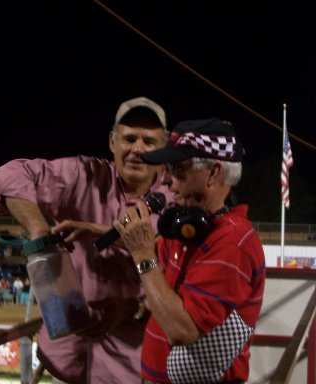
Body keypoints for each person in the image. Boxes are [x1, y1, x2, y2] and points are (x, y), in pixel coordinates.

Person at [0, 96, 174, 383]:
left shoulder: (176, 197)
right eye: (128, 138)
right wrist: (39, 230)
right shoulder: (85, 175)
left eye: (149, 141)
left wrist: (131, 309)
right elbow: (10, 174)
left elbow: (163, 251)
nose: (137, 149)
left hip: (132, 363)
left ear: (164, 147)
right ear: (112, 142)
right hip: (64, 362)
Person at [113, 118, 266, 383]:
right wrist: (88, 231)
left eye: (178, 170)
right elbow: (150, 257)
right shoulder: (188, 228)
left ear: (213, 173)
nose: (168, 182)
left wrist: (142, 253)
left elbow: (182, 330)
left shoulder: (233, 243)